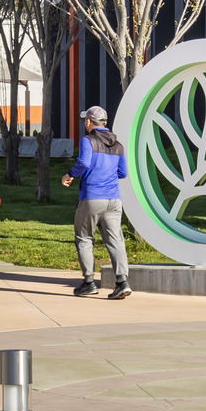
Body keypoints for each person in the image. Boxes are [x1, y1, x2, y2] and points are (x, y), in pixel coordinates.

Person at [59, 104, 130, 299]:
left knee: (84, 237)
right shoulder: (118, 146)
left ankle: (89, 282)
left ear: (90, 122)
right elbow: (123, 172)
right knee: (116, 241)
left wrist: (69, 174)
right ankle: (122, 282)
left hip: (92, 197)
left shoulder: (87, 140)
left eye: (85, 120)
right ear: (105, 123)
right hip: (114, 199)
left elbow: (83, 163)